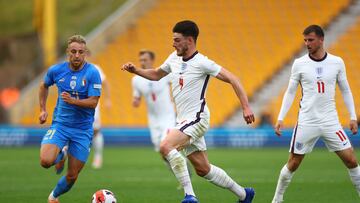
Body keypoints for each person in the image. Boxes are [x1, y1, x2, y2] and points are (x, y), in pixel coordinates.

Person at [123, 20, 255, 203]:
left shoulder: (203, 63)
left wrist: (246, 106)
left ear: (190, 40)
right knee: (203, 169)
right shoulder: (173, 58)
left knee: (165, 146)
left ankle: (190, 196)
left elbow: (233, 78)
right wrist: (135, 70)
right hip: (184, 120)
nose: (173, 43)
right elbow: (156, 74)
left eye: (177, 40)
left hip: (197, 118)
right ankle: (244, 194)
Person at [272, 25, 359, 203]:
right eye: (305, 40)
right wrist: (281, 117)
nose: (307, 43)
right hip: (307, 121)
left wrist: (352, 116)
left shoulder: (337, 62)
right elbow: (290, 92)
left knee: (351, 159)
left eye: (310, 40)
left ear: (321, 40)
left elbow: (346, 90)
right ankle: (277, 199)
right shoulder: (299, 63)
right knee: (293, 163)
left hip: (330, 121)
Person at [39, 35, 102, 203]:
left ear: (85, 53)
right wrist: (43, 109)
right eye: (73, 51)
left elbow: (93, 102)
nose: (77, 55)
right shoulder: (56, 71)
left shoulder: (92, 73)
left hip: (82, 130)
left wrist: (73, 101)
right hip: (61, 125)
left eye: (80, 52)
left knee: (72, 175)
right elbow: (44, 86)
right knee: (45, 161)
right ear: (68, 52)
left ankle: (53, 197)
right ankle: (62, 153)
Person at [132, 49, 176, 152]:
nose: (142, 62)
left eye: (145, 60)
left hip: (167, 116)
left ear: (152, 60)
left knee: (166, 144)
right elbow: (136, 97)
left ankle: (182, 166)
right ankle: (177, 165)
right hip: (153, 119)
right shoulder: (136, 80)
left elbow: (174, 85)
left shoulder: (163, 74)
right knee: (160, 148)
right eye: (141, 60)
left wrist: (174, 101)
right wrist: (136, 101)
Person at [92, 64, 111, 169]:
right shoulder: (69, 69)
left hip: (92, 105)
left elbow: (105, 82)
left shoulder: (95, 68)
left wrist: (108, 99)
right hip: (75, 105)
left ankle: (98, 156)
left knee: (95, 130)